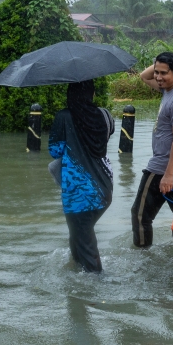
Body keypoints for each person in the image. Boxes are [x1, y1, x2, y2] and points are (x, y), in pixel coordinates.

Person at [49, 80, 115, 273]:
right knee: (78, 236)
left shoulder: (63, 117)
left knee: (85, 244)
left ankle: (95, 290)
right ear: (91, 94)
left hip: (78, 193)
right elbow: (106, 136)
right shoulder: (104, 115)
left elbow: (55, 151)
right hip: (104, 189)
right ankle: (77, 277)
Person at [131, 52, 173, 247]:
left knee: (140, 216)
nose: (158, 77)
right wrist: (161, 63)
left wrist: (168, 175)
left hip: (163, 168)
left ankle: (142, 257)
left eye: (163, 73)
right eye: (156, 72)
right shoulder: (170, 89)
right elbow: (144, 76)